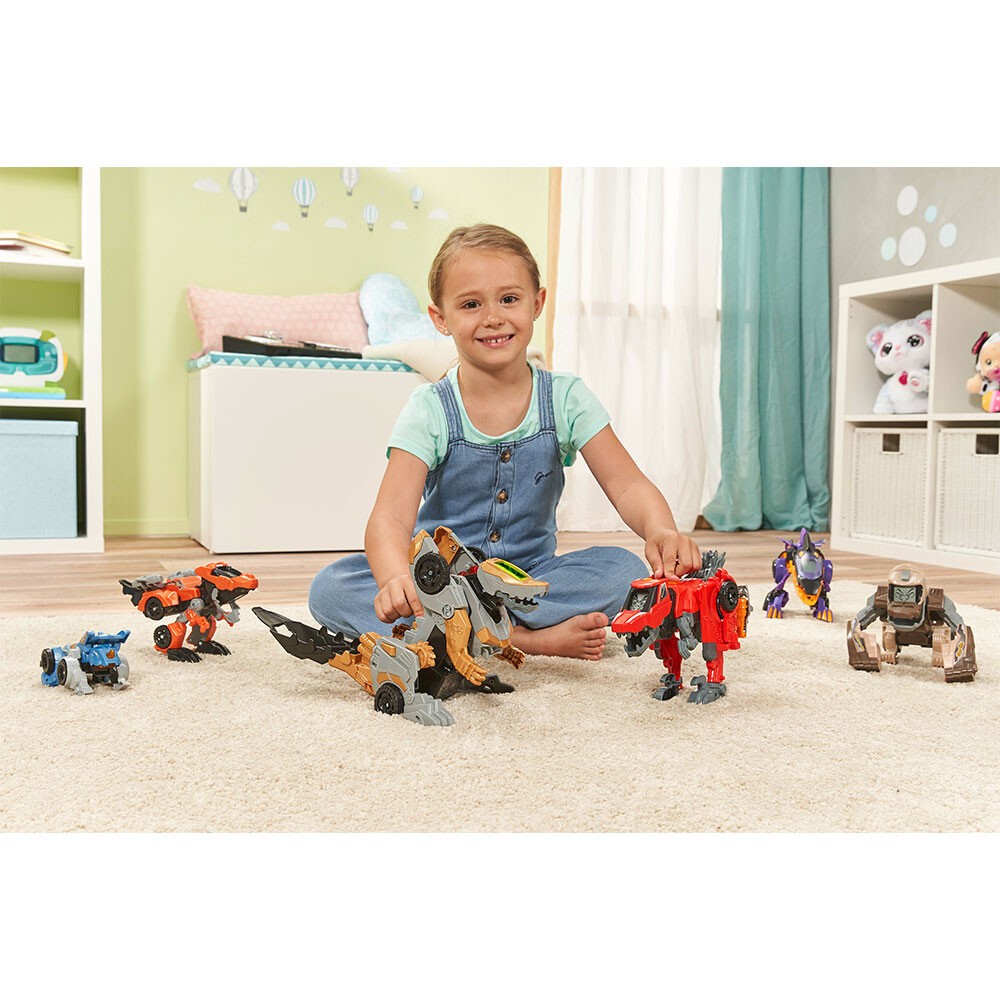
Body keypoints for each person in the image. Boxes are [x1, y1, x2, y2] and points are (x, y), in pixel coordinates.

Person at [308, 223, 701, 662]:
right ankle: (522, 639)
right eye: (471, 304)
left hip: (527, 579)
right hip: (439, 582)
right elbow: (390, 518)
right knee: (330, 588)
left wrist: (660, 530)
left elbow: (627, 485)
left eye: (509, 299)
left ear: (538, 303)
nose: (493, 317)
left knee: (624, 571)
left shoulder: (566, 398)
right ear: (441, 319)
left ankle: (465, 634)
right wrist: (395, 579)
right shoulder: (429, 409)